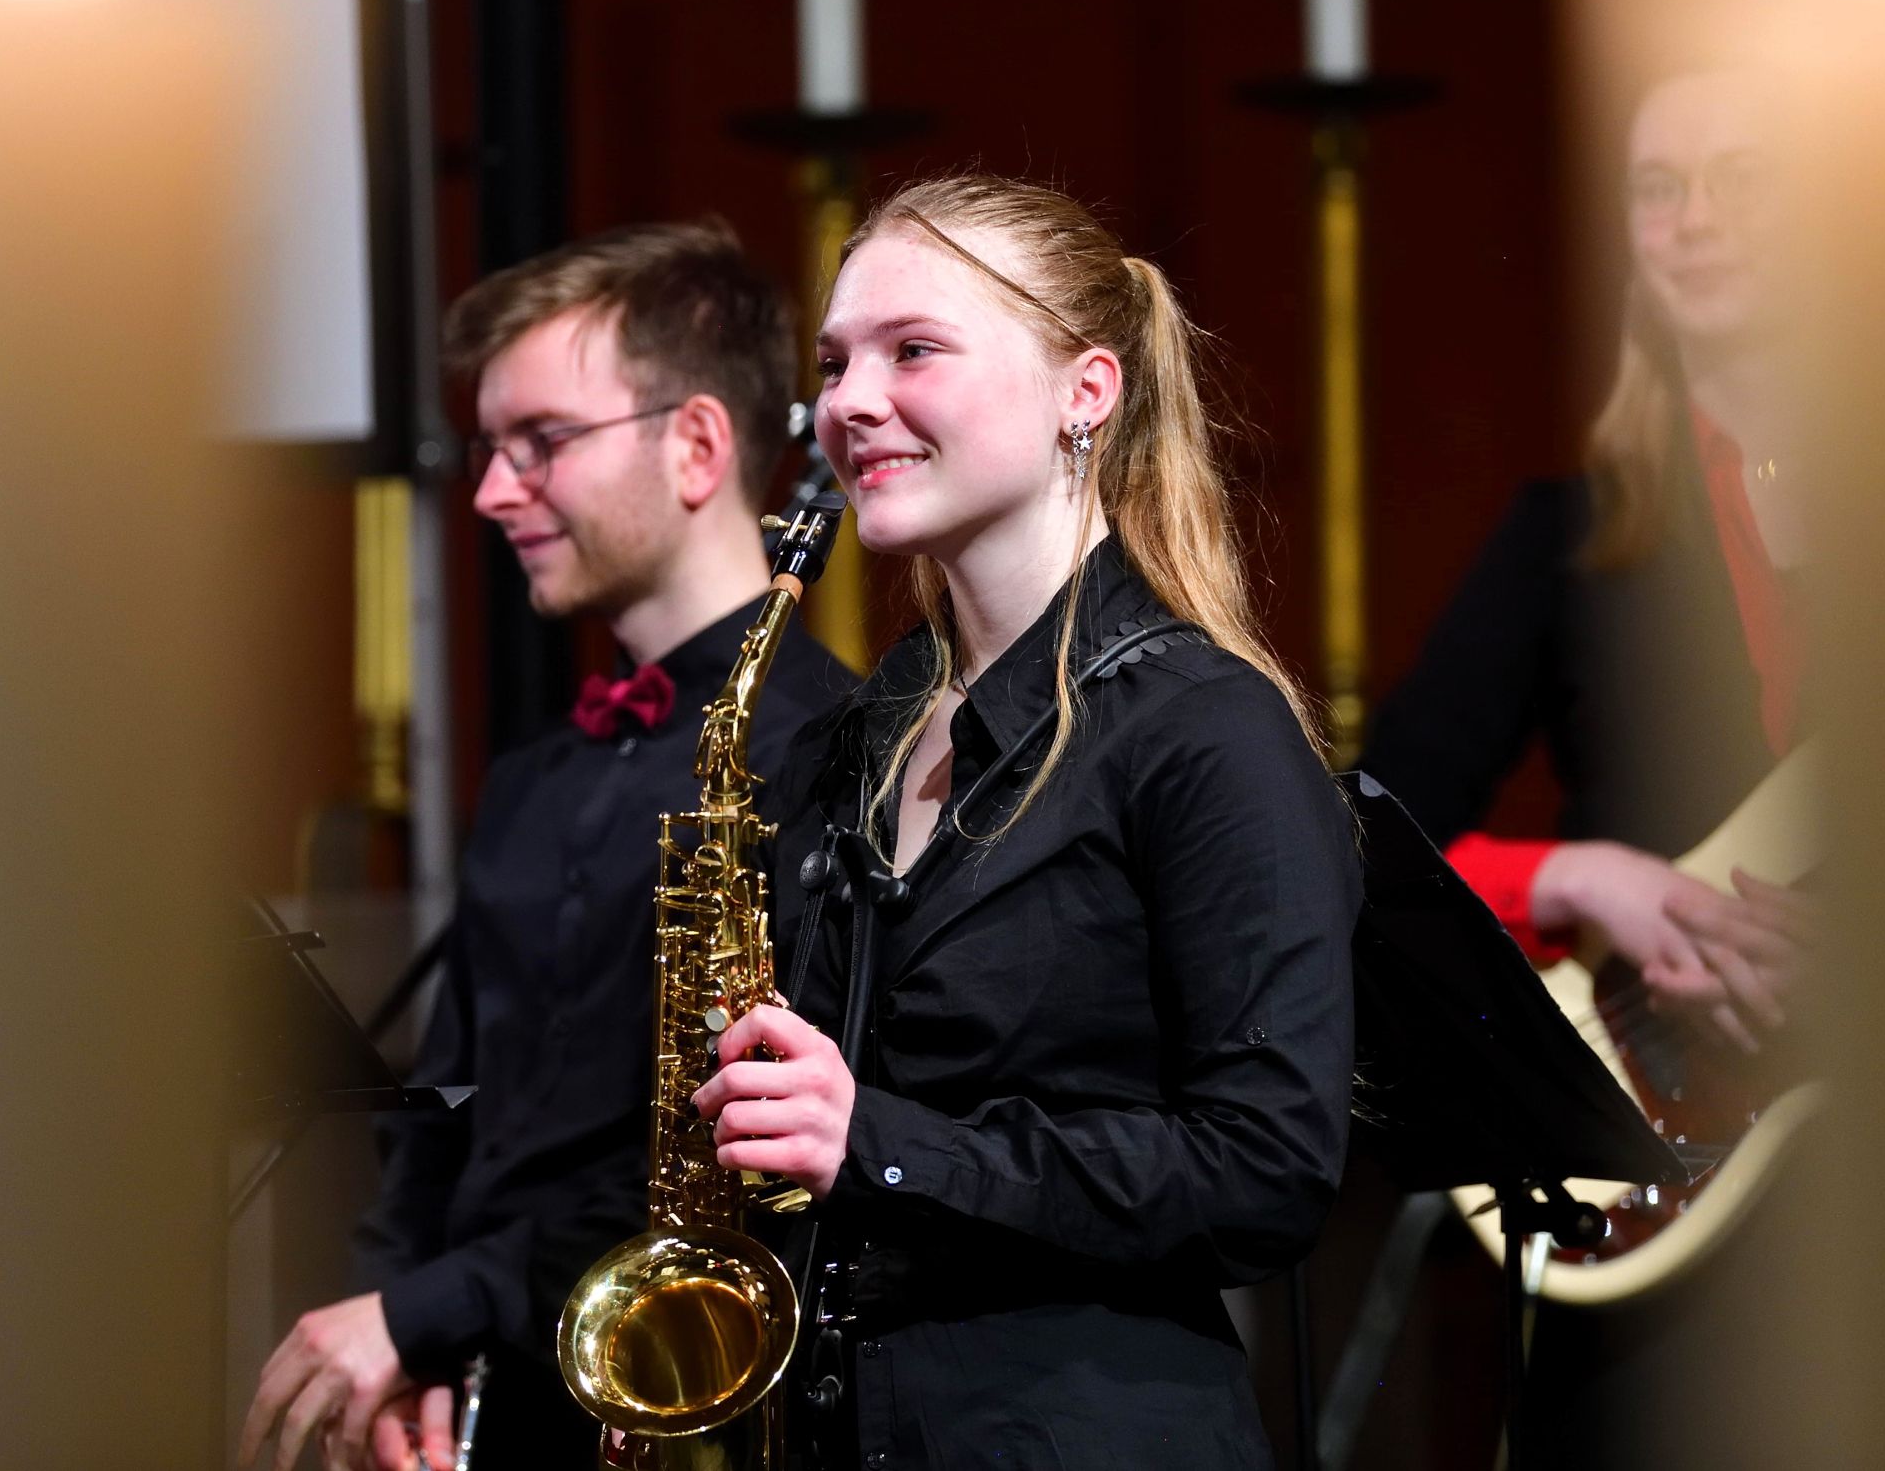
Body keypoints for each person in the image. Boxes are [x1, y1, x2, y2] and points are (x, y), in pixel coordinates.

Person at [691, 175, 1363, 1469]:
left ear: (1086, 392)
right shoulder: (873, 728)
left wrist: (879, 1144)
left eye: (914, 351)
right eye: (834, 365)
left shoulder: (1206, 730)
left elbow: (1268, 1168)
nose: (851, 403)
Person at [239, 222, 853, 1471]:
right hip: (487, 1398)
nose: (490, 492)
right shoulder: (529, 777)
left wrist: (422, 1314)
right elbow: (440, 1121)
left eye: (542, 445)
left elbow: (733, 1165)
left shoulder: (832, 755)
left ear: (694, 445)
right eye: (487, 449)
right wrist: (395, 1338)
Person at [1357, 70, 1813, 1463]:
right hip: (1655, 1174)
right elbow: (1365, 834)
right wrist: (1577, 879)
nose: (1694, 219)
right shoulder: (1568, 533)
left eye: (1743, 174)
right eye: (1656, 189)